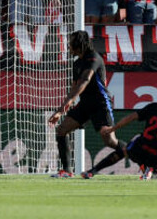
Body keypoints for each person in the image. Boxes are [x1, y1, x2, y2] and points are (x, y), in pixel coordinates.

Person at [80, 84, 157, 180]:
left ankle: (92, 171)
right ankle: (150, 171)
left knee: (124, 150)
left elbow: (131, 117)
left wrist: (113, 128)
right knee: (155, 172)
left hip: (139, 149)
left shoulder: (154, 106)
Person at [48, 30, 124, 178]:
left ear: (78, 45)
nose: (68, 46)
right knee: (62, 130)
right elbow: (74, 87)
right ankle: (67, 171)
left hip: (100, 103)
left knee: (109, 140)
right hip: (85, 104)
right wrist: (61, 110)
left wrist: (67, 103)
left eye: (71, 44)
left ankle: (139, 156)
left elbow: (85, 81)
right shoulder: (77, 63)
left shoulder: (94, 58)